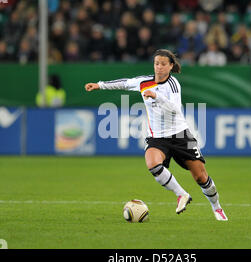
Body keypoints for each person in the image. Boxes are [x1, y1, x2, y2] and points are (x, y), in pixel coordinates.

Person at [84, 49, 228, 221]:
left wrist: (156, 96)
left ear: (171, 66)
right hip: (157, 137)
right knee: (152, 163)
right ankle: (181, 194)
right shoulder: (144, 82)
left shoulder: (173, 84)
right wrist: (99, 85)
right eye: (156, 63)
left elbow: (175, 109)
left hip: (182, 135)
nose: (159, 67)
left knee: (200, 176)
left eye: (163, 64)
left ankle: (217, 207)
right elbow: (124, 83)